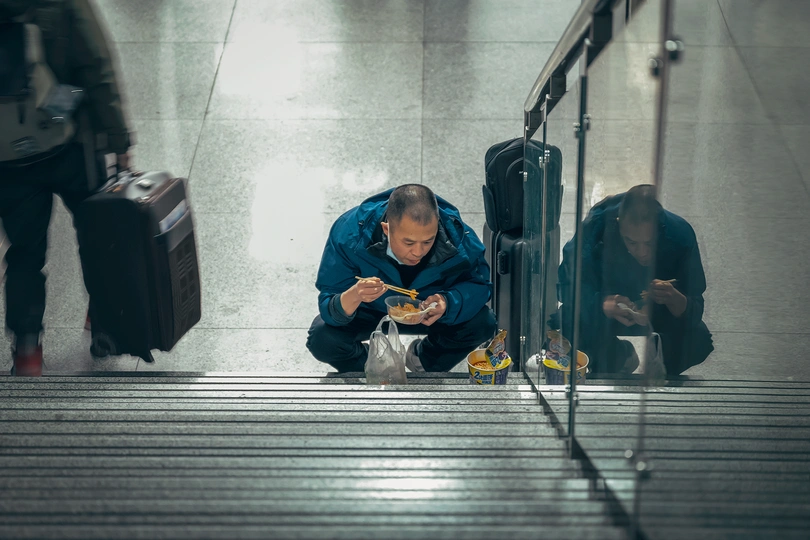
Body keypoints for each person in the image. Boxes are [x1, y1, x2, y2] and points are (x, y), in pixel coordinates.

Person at [0, 0, 134, 376]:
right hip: (71, 143)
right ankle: (106, 327)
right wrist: (119, 139)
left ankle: (27, 350)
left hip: (8, 158)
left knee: (25, 253)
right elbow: (96, 66)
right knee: (98, 238)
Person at [307, 184, 497, 373]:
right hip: (370, 310)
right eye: (408, 242)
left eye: (428, 241)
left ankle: (424, 360)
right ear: (386, 229)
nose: (418, 252)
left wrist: (448, 302)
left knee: (483, 323)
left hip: (429, 314)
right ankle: (372, 366)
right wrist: (355, 295)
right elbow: (329, 301)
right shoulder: (349, 234)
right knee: (322, 338)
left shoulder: (459, 236)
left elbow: (480, 285)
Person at [557, 185, 713, 376]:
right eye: (631, 242)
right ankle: (619, 356)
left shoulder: (679, 235)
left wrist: (675, 299)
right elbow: (566, 287)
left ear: (660, 230)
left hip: (659, 313)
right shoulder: (597, 227)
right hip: (608, 312)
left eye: (649, 243)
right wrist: (603, 303)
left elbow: (696, 306)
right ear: (618, 223)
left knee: (699, 340)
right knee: (561, 335)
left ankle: (660, 360)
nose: (642, 252)